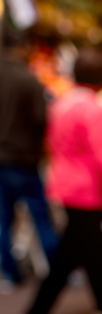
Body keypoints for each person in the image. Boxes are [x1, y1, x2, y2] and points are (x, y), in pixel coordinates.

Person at [13, 47, 102, 314]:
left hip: (65, 186)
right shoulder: (96, 110)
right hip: (89, 191)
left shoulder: (62, 103)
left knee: (90, 248)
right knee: (74, 251)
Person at [0, 29, 59, 293]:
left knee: (3, 220)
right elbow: (42, 121)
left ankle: (10, 274)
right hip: (23, 160)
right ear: (23, 46)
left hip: (3, 159)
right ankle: (59, 272)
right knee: (41, 217)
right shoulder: (28, 81)